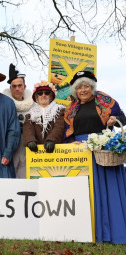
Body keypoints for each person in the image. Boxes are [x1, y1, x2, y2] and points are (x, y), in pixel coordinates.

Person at [64, 71, 126, 244]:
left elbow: (123, 118)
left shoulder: (105, 101)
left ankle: (113, 233)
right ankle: (88, 233)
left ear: (92, 87)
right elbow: (66, 132)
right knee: (87, 192)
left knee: (108, 190)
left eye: (86, 86)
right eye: (79, 87)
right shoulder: (71, 108)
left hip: (102, 150)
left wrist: (115, 119)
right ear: (75, 90)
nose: (83, 90)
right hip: (81, 153)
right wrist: (71, 142)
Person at [3, 64, 34, 178]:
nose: (17, 89)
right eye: (14, 86)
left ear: (24, 87)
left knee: (25, 179)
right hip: (10, 146)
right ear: (10, 88)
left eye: (19, 85)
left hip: (27, 145)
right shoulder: (4, 104)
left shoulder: (33, 104)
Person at [23, 81, 65, 153]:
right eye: (40, 93)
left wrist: (51, 140)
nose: (43, 95)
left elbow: (59, 127)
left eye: (47, 93)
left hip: (56, 150)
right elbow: (28, 129)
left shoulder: (59, 109)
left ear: (51, 96)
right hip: (37, 152)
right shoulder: (30, 114)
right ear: (36, 97)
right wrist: (30, 140)